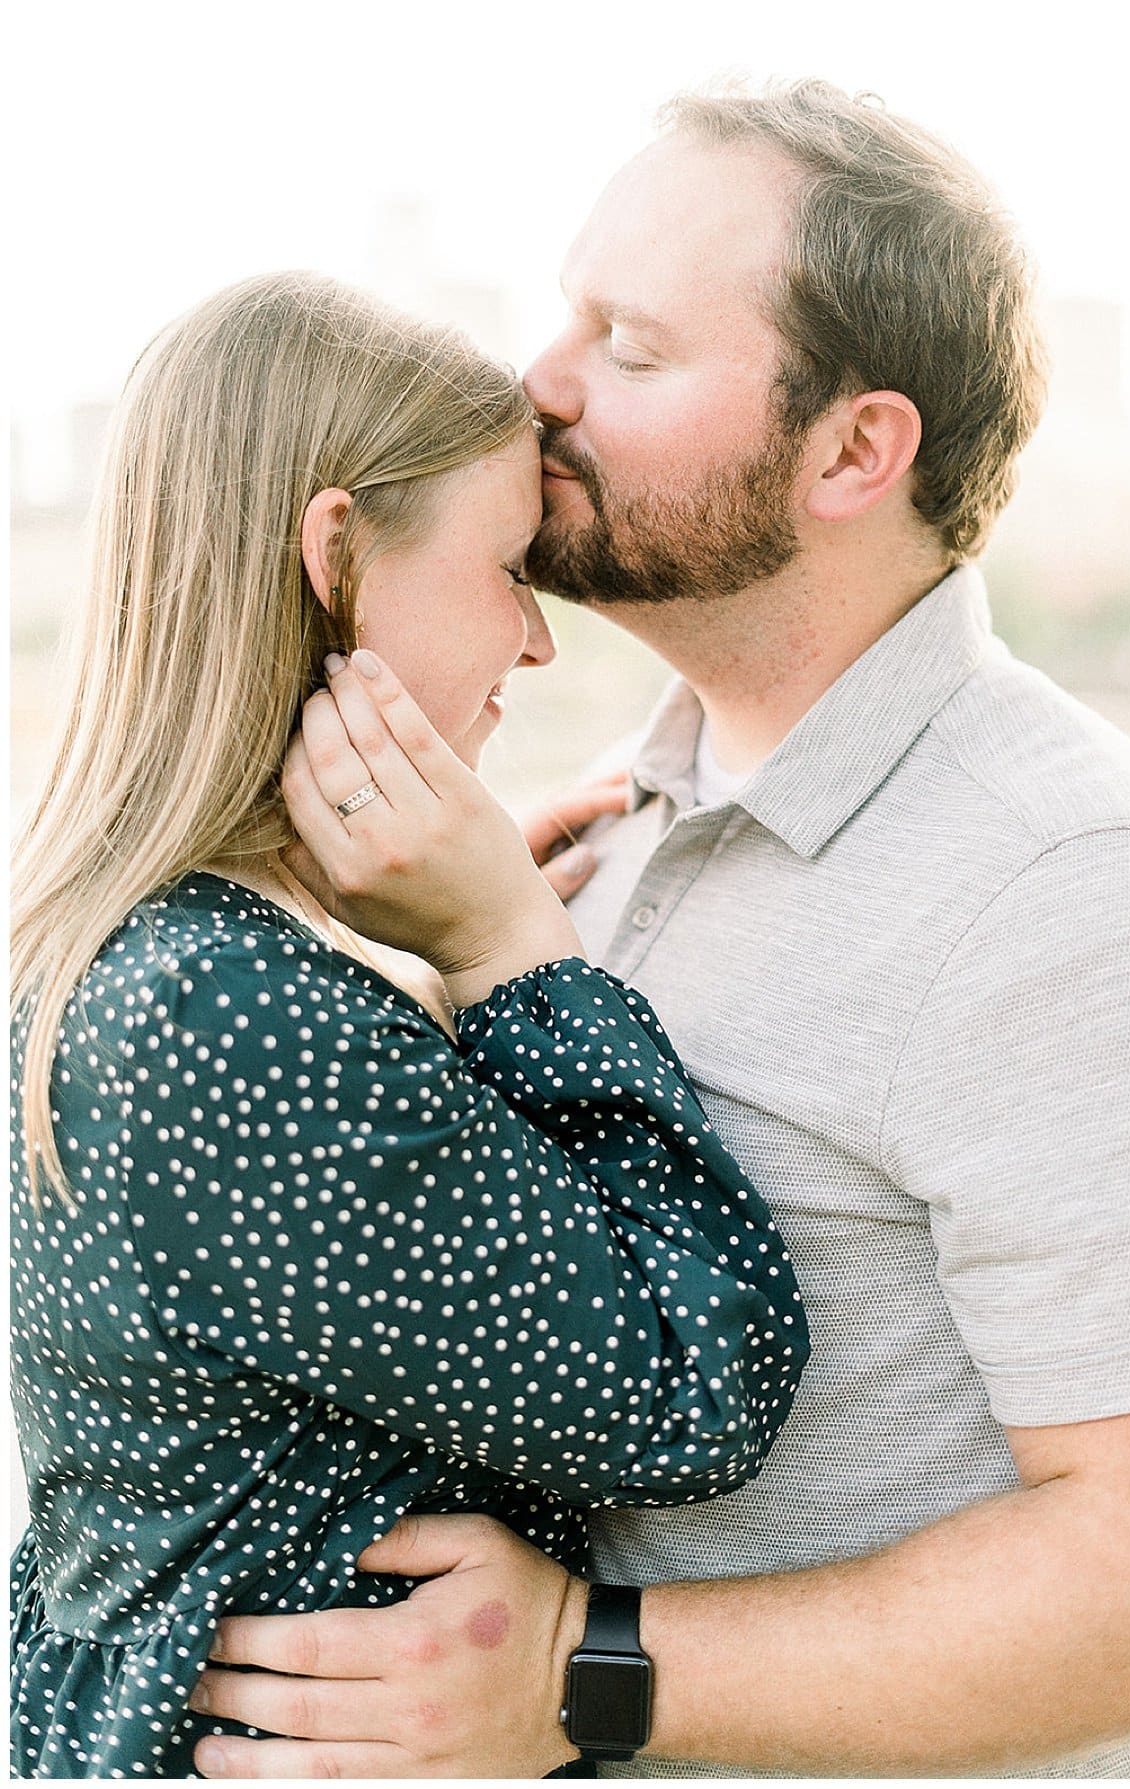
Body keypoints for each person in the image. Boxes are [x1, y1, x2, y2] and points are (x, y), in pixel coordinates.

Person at [189, 80, 1130, 1780]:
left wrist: (582, 1671)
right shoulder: (614, 819)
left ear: (855, 450)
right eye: (565, 314)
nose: (541, 385)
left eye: (630, 349)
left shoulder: (1068, 884)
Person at [7, 271, 811, 1779]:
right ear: (336, 553)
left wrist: (437, 940)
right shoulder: (225, 1019)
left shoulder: (129, 953)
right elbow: (703, 1385)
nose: (537, 644)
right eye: (511, 568)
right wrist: (519, 954)